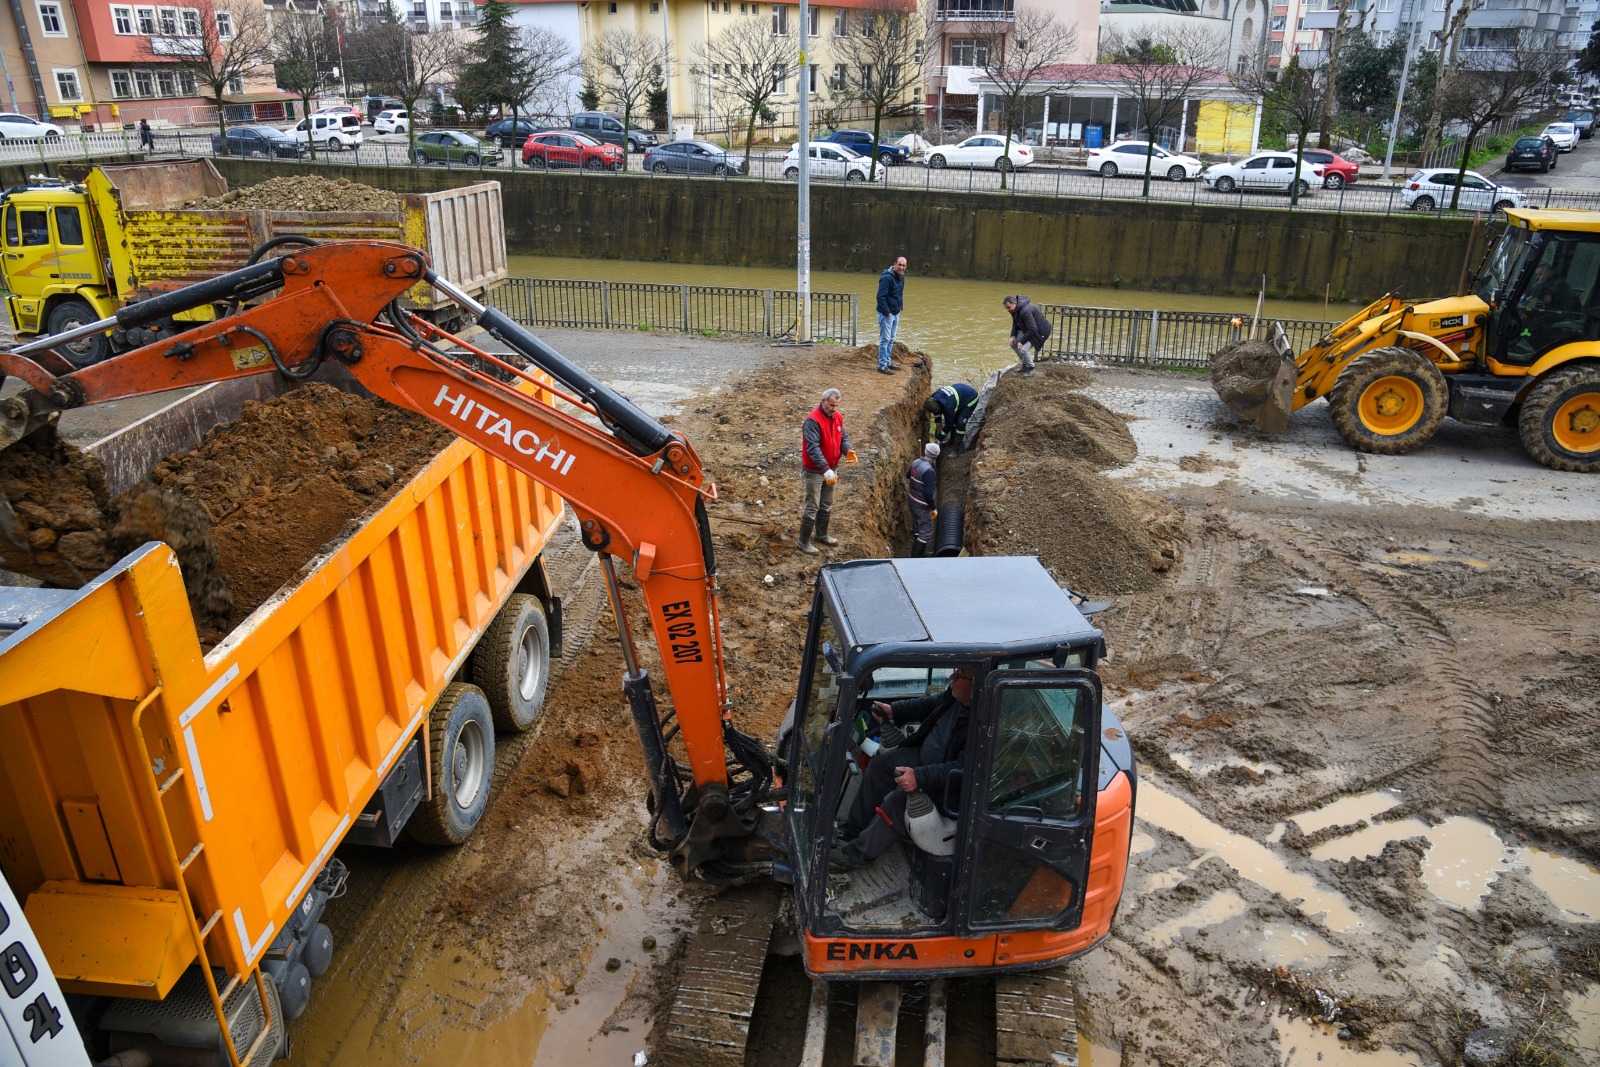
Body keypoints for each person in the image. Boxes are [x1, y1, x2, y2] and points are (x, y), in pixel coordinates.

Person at [834, 667, 975, 869]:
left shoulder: (982, 724)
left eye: (959, 674)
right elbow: (929, 704)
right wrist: (895, 711)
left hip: (945, 783)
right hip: (923, 757)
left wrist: (919, 776)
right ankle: (853, 833)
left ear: (977, 684)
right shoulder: (955, 697)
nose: (952, 676)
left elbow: (964, 769)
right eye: (955, 670)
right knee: (880, 766)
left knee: (898, 801)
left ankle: (856, 856)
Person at [798, 387, 855, 555]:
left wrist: (847, 450)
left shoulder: (837, 417)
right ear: (823, 401)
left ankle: (822, 534)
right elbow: (813, 448)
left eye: (836, 405)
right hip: (815, 471)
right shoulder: (812, 421)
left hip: (831, 469)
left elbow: (842, 437)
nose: (834, 408)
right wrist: (825, 469)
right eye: (831, 405)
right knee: (812, 505)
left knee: (826, 504)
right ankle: (803, 541)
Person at [1003, 294, 1052, 375]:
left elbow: (1033, 329)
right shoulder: (1014, 309)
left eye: (1008, 307)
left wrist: (1022, 342)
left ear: (1014, 303)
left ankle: (1031, 368)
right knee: (1013, 344)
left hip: (1040, 331)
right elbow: (1015, 323)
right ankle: (1025, 364)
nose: (1007, 310)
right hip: (1029, 328)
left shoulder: (1025, 311)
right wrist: (1013, 336)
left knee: (1023, 349)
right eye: (1006, 308)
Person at [876, 256, 907, 374]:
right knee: (885, 339)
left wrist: (900, 307)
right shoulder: (886, 278)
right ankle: (882, 365)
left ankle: (888, 362)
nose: (901, 267)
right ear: (894, 264)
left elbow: (899, 294)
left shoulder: (901, 277)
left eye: (903, 265)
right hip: (887, 314)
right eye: (899, 264)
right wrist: (887, 312)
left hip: (896, 312)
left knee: (891, 339)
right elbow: (880, 297)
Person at [924, 382, 979, 449]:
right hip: (959, 394)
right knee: (954, 420)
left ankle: (957, 448)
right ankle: (951, 441)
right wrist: (938, 421)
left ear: (939, 407)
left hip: (970, 398)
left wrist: (939, 438)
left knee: (960, 423)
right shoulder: (933, 397)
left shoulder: (948, 407)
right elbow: (937, 411)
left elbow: (949, 424)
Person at [907, 442, 938, 557]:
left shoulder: (915, 462)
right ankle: (917, 558)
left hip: (912, 500)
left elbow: (908, 475)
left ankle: (917, 550)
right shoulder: (929, 471)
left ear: (925, 451)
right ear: (935, 456)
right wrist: (933, 508)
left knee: (917, 526)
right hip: (921, 504)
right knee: (925, 532)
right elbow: (928, 494)